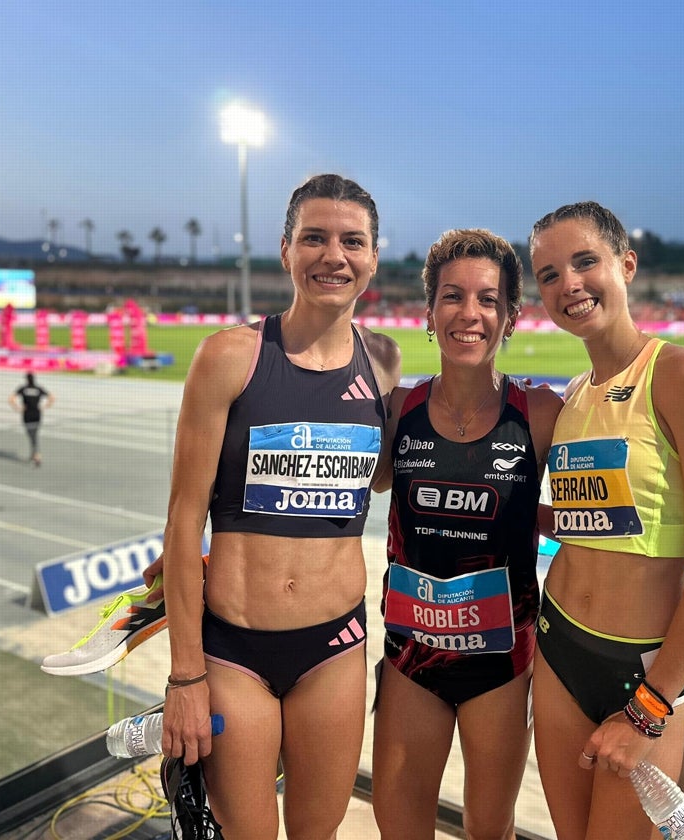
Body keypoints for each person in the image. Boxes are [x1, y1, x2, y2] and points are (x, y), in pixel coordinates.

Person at [158, 173, 401, 840]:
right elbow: (183, 520)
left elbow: (377, 478)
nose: (334, 255)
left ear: (374, 255)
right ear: (285, 248)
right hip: (234, 651)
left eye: (353, 241)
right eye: (315, 238)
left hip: (335, 647)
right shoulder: (230, 356)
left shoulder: (383, 362)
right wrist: (185, 677)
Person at [527, 201, 684, 840]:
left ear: (626, 265)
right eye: (548, 275)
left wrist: (649, 708)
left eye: (584, 261)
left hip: (649, 673)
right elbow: (591, 521)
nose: (567, 283)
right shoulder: (571, 397)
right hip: (559, 645)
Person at [370, 229, 563, 840]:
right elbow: (329, 500)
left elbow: (609, 513)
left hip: (501, 665)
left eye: (488, 299)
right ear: (429, 312)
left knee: (489, 829)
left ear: (509, 317)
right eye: (453, 297)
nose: (469, 314)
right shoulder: (399, 409)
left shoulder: (540, 415)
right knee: (397, 823)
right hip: (410, 659)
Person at [9, 372, 54, 466]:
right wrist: (45, 406)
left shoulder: (23, 389)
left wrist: (17, 408)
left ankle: (37, 455)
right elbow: (51, 397)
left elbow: (11, 399)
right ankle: (33, 454)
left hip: (27, 414)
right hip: (37, 414)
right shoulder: (38, 389)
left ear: (26, 379)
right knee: (34, 433)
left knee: (31, 434)